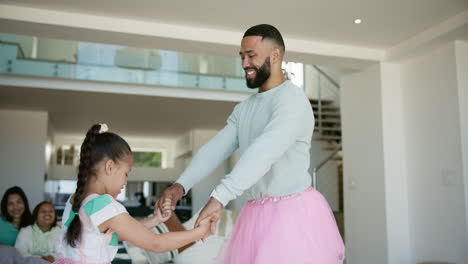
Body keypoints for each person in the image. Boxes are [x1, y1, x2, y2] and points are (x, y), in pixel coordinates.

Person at [157, 24, 345, 263]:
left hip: (294, 217)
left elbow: (263, 152)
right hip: (255, 214)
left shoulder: (293, 100)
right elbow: (214, 150)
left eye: (251, 55)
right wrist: (180, 186)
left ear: (275, 55)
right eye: (242, 56)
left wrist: (218, 198)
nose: (244, 63)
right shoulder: (245, 108)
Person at [54, 123, 213, 264]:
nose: (125, 182)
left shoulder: (74, 200)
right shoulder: (105, 205)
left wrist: (156, 220)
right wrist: (199, 232)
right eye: (126, 173)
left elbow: (121, 233)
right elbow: (156, 243)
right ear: (110, 167)